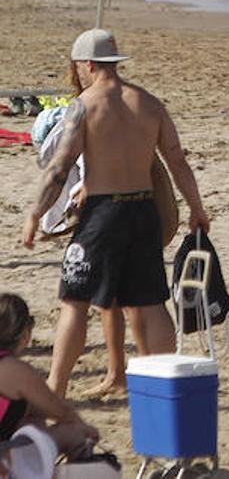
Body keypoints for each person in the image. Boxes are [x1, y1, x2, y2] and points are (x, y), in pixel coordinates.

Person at [21, 29, 211, 397]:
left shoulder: (84, 106)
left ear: (87, 64)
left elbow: (60, 167)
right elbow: (177, 162)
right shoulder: (149, 103)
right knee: (152, 302)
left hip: (103, 213)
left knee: (74, 300)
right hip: (142, 209)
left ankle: (56, 388)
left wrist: (34, 213)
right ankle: (166, 387)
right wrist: (197, 209)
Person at [0, 294, 100, 455]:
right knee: (74, 433)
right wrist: (86, 429)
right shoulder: (15, 370)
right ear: (25, 335)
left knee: (31, 418)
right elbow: (62, 413)